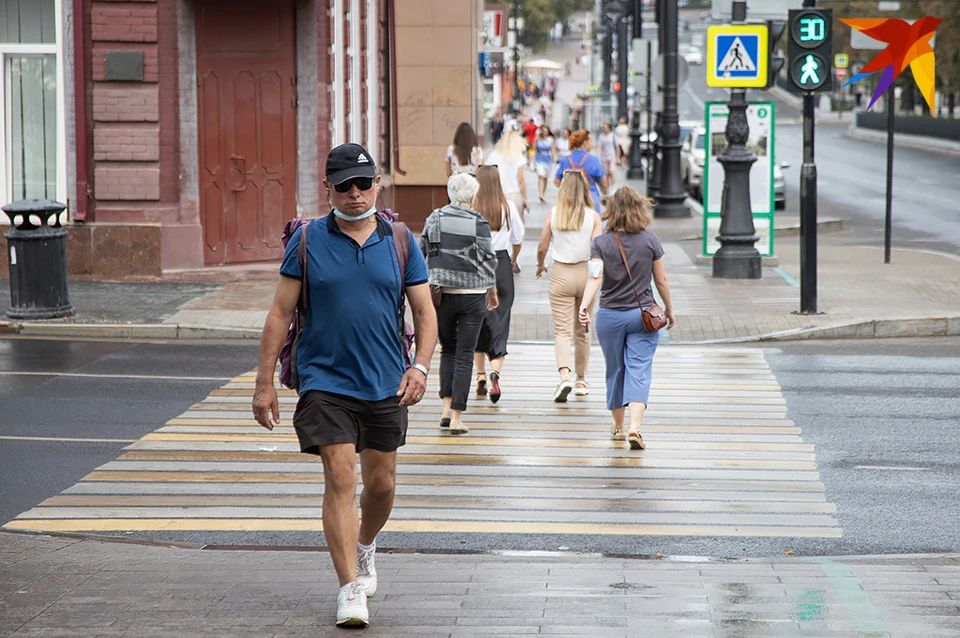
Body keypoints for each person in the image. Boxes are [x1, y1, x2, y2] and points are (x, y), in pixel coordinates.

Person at [252, 143, 437, 628]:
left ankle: (366, 544)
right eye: (344, 186)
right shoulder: (308, 240)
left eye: (363, 183)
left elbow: (424, 311)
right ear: (328, 189)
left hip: (385, 381)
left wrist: (419, 367)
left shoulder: (399, 239)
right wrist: (263, 383)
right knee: (340, 477)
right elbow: (280, 313)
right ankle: (349, 588)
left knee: (382, 484)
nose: (355, 194)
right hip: (325, 381)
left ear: (378, 183)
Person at [578, 187, 675, 450]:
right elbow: (661, 280)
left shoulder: (600, 243)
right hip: (641, 315)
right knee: (639, 369)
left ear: (612, 211)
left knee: (615, 370)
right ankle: (635, 427)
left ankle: (619, 427)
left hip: (609, 316)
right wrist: (668, 309)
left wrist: (584, 306)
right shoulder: (650, 241)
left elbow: (595, 278)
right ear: (639, 208)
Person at [420, 174, 500, 435]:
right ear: (472, 197)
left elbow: (424, 249)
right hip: (472, 295)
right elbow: (489, 260)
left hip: (441, 293)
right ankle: (456, 417)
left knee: (448, 350)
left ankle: (445, 409)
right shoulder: (478, 222)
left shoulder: (435, 218)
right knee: (466, 353)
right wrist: (491, 290)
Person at [536, 172, 603, 403]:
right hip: (585, 275)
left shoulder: (554, 215)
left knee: (562, 331)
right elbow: (598, 252)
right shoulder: (594, 217)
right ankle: (581, 380)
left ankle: (564, 376)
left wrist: (540, 265)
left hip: (561, 273)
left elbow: (542, 247)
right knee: (583, 328)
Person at [472, 166, 524, 403]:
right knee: (500, 320)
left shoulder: (471, 208)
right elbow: (518, 239)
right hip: (501, 264)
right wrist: (512, 260)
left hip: (477, 264)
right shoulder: (508, 207)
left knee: (476, 320)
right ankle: (496, 372)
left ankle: (480, 375)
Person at [554, 130, 607, 212]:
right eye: (590, 141)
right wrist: (605, 194)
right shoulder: (593, 160)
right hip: (590, 198)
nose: (591, 144)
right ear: (584, 142)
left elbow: (556, 181)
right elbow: (603, 184)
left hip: (570, 199)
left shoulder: (565, 160)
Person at [486, 128, 529, 221]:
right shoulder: (518, 157)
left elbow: (487, 175)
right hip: (514, 194)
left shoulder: (493, 156)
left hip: (497, 195)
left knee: (498, 224)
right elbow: (521, 180)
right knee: (516, 226)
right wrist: (525, 198)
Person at [533, 125, 556, 203]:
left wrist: (554, 157)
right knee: (541, 176)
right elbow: (534, 148)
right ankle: (541, 194)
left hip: (547, 159)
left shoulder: (550, 139)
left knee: (545, 177)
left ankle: (543, 193)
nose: (545, 132)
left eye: (546, 131)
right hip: (539, 159)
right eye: (543, 131)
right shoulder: (538, 138)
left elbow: (552, 149)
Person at [598, 122, 619, 186]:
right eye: (604, 128)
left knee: (611, 172)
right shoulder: (601, 136)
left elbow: (617, 147)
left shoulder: (613, 136)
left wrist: (617, 158)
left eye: (606, 127)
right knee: (606, 174)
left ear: (610, 128)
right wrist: (598, 156)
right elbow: (599, 146)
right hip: (604, 157)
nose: (605, 129)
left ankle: (614, 188)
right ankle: (608, 189)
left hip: (612, 156)